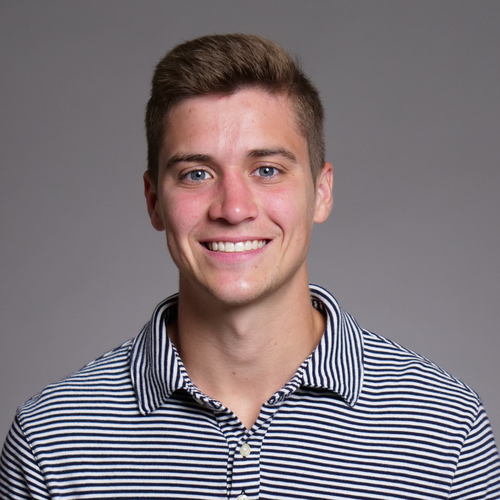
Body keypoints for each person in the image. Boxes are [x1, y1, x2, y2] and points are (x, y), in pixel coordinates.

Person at [1, 33, 499, 500]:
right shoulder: (50, 442)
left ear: (321, 191)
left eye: (267, 170)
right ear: (154, 201)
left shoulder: (448, 432)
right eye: (196, 174)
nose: (233, 208)